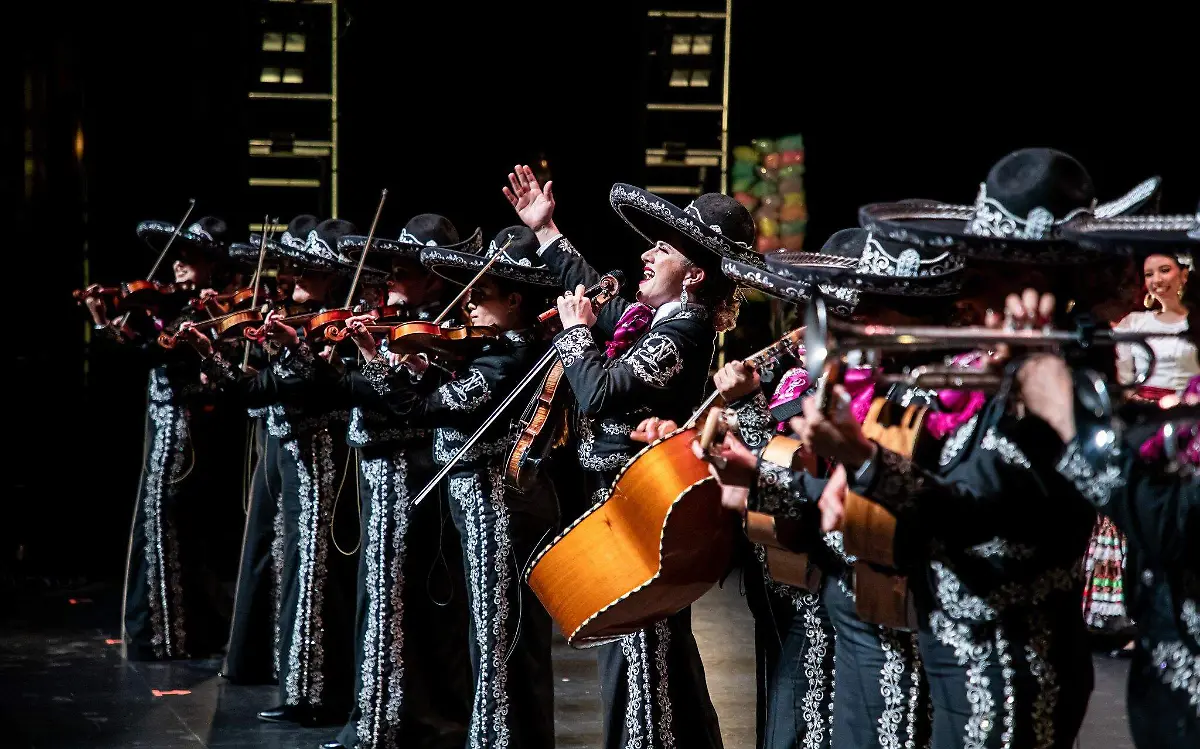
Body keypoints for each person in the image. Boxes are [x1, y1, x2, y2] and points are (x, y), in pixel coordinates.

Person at [505, 164, 746, 749]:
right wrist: (546, 230)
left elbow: (599, 391)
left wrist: (574, 335)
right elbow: (591, 287)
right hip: (621, 502)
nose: (646, 256)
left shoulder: (685, 328)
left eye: (661, 250)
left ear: (692, 275)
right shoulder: (650, 318)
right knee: (639, 647)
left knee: (642, 652)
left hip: (644, 506)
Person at [339, 226, 561, 749]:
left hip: (499, 503)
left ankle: (501, 739)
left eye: (480, 296)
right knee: (490, 631)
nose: (469, 307)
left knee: (499, 632)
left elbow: (431, 409)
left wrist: (379, 366)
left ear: (514, 299)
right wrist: (412, 364)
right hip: (482, 502)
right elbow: (438, 397)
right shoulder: (493, 351)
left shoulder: (509, 356)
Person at [181, 217, 382, 726]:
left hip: (323, 462)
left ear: (334, 280)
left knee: (315, 572)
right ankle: (304, 687)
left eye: (306, 273)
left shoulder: (341, 331)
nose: (292, 280)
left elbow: (278, 385)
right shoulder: (308, 327)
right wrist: (222, 357)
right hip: (301, 460)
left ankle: (318, 696)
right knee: (300, 567)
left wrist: (230, 361)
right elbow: (267, 383)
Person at [319, 213, 481, 749]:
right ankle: (390, 714)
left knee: (392, 597)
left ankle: (384, 723)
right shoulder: (399, 321)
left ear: (435, 277)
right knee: (386, 593)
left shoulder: (443, 334)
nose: (389, 277)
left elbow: (406, 405)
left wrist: (371, 362)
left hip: (406, 469)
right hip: (382, 467)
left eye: (402, 270)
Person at [83, 215, 241, 661]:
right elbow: (143, 350)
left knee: (165, 519)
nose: (177, 265)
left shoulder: (208, 311)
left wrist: (107, 328)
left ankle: (175, 634)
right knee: (159, 519)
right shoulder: (174, 309)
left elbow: (148, 357)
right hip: (164, 422)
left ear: (213, 266)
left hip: (184, 427)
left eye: (189, 259)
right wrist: (117, 323)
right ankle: (176, 630)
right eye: (176, 257)